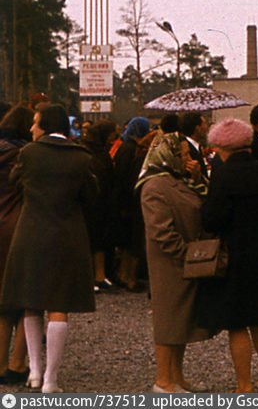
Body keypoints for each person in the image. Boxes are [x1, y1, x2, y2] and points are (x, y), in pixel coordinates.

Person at [0, 104, 97, 393]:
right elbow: (92, 197)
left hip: (30, 232)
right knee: (58, 307)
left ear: (44, 125)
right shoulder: (81, 157)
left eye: (35, 123)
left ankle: (34, 372)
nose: (31, 128)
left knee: (31, 302)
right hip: (67, 234)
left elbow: (16, 180)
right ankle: (51, 380)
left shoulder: (28, 153)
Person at [196, 119, 258, 393]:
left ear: (221, 146)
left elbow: (212, 219)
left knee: (237, 322)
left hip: (236, 254)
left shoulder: (224, 175)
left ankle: (243, 384)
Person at [137, 126, 211, 393]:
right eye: (181, 153)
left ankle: (177, 376)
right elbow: (160, 230)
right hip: (169, 262)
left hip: (185, 260)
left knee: (181, 322)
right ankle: (163, 380)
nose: (187, 158)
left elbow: (206, 202)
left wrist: (198, 177)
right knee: (168, 322)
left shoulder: (181, 179)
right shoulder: (153, 186)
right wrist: (185, 253)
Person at [0, 106, 33, 386]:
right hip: (19, 228)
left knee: (1, 302)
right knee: (26, 299)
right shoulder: (27, 155)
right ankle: (17, 363)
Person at [112, 117, 153, 291]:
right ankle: (130, 278)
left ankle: (124, 274)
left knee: (128, 242)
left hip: (124, 200)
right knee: (134, 241)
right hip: (131, 200)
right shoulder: (133, 150)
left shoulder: (124, 147)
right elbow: (129, 177)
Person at [81, 119, 119, 293]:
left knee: (100, 240)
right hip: (90, 202)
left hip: (103, 202)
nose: (114, 137)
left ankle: (100, 275)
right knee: (89, 240)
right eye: (112, 133)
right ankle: (89, 278)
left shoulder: (102, 150)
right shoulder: (86, 151)